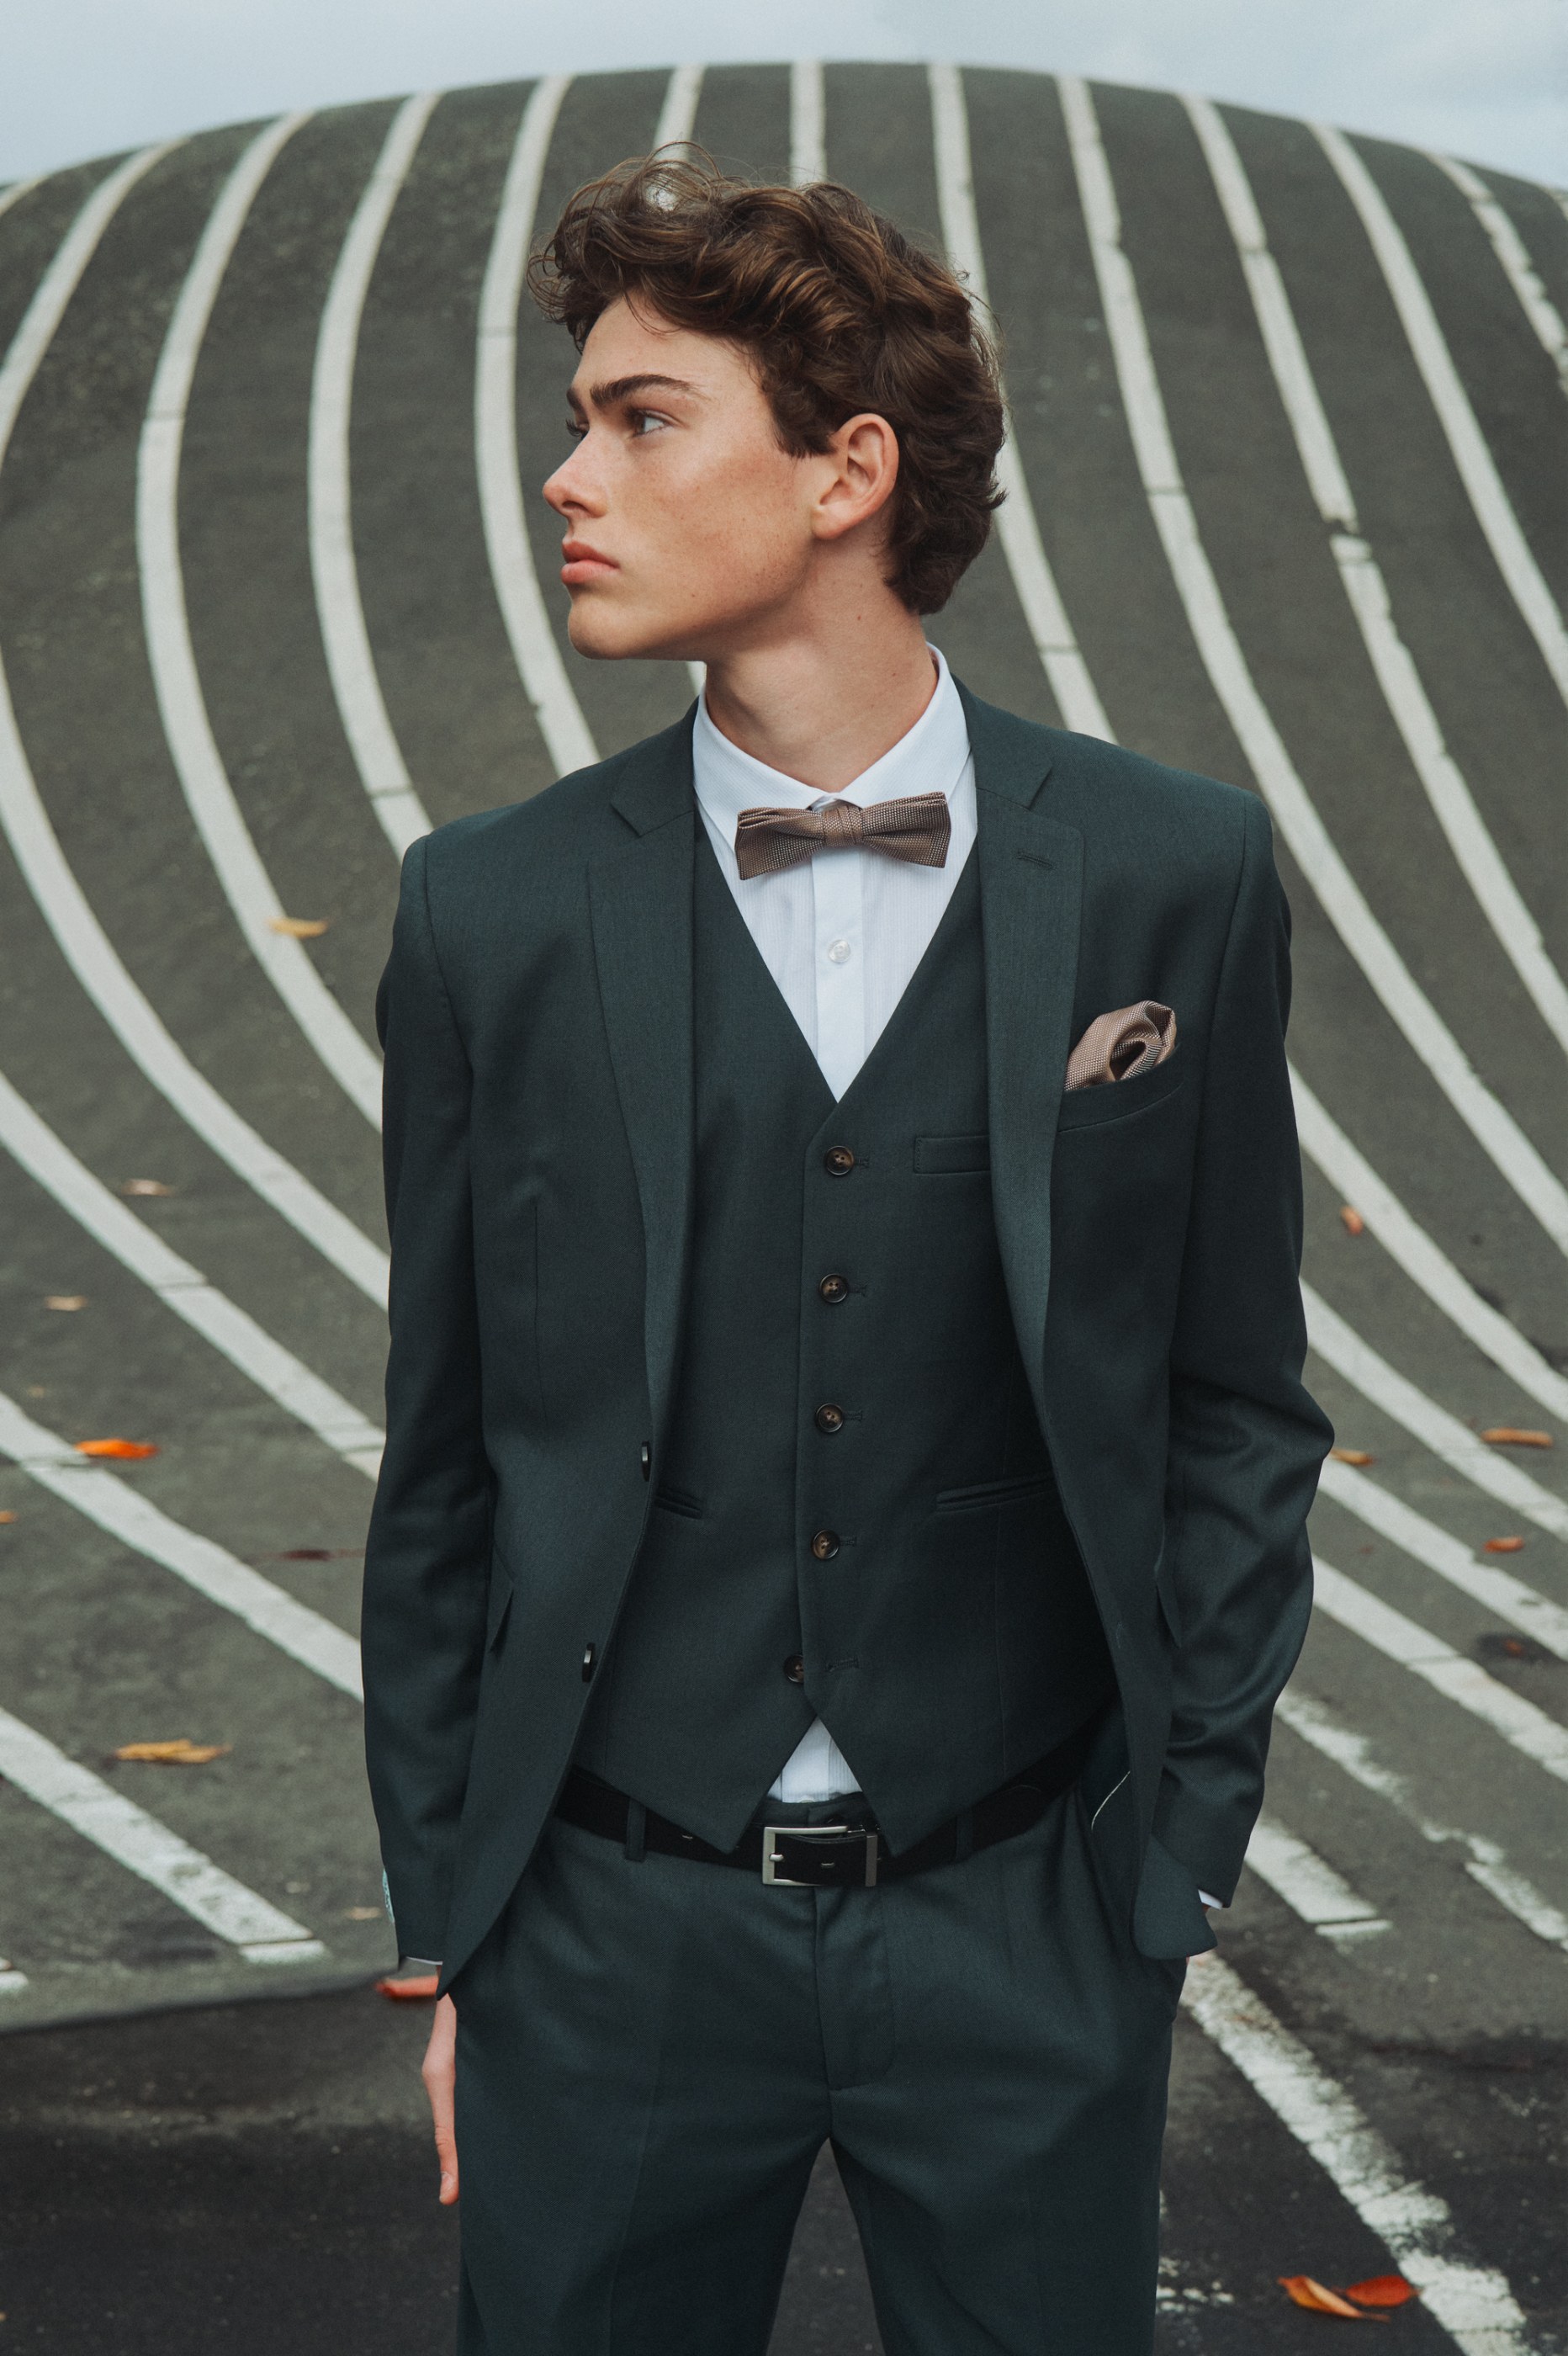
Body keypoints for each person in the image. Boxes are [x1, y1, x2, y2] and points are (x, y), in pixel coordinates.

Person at [362, 153, 1332, 2355]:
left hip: (1024, 1926)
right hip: (603, 1940)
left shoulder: (1175, 874)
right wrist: (454, 1924)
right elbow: (446, 1460)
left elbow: (1235, 1408)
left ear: (845, 473)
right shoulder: (483, 913)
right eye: (581, 416)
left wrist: (1159, 1879)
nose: (564, 473)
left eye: (639, 416)